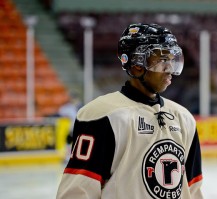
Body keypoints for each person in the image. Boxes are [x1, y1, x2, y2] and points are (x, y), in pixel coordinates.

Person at [56, 23, 203, 199]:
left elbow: (192, 189)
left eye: (172, 59)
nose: (170, 68)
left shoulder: (184, 118)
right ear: (136, 64)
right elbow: (77, 192)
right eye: (162, 60)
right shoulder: (102, 115)